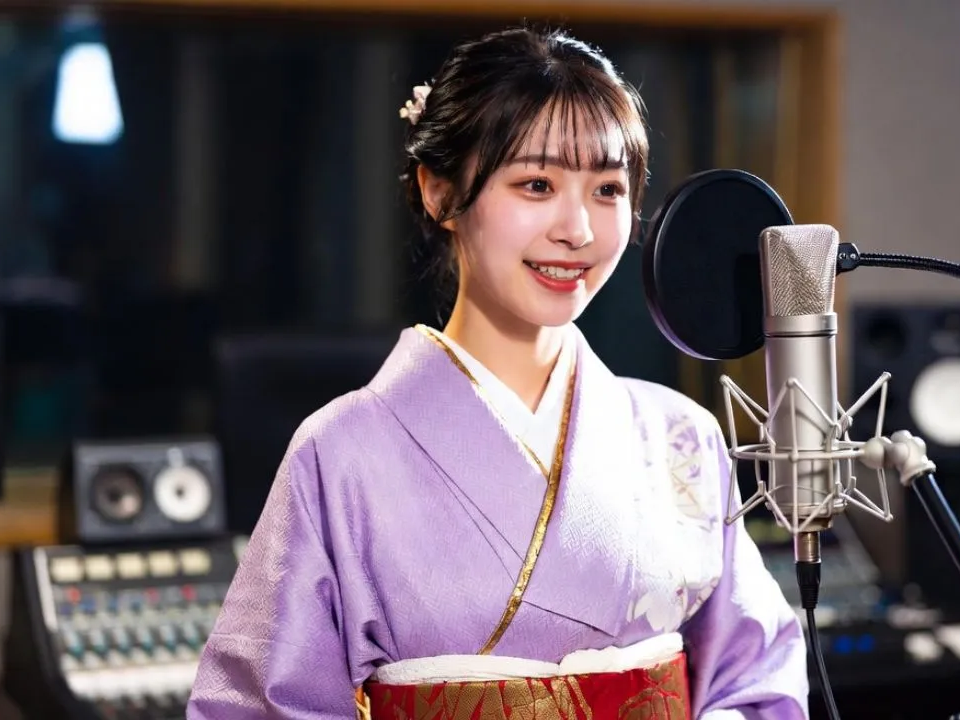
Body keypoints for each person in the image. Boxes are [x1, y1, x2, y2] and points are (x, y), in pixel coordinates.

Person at [188, 26, 809, 720]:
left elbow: (757, 682)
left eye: (607, 189)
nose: (577, 228)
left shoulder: (680, 437)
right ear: (439, 191)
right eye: (536, 183)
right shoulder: (339, 454)